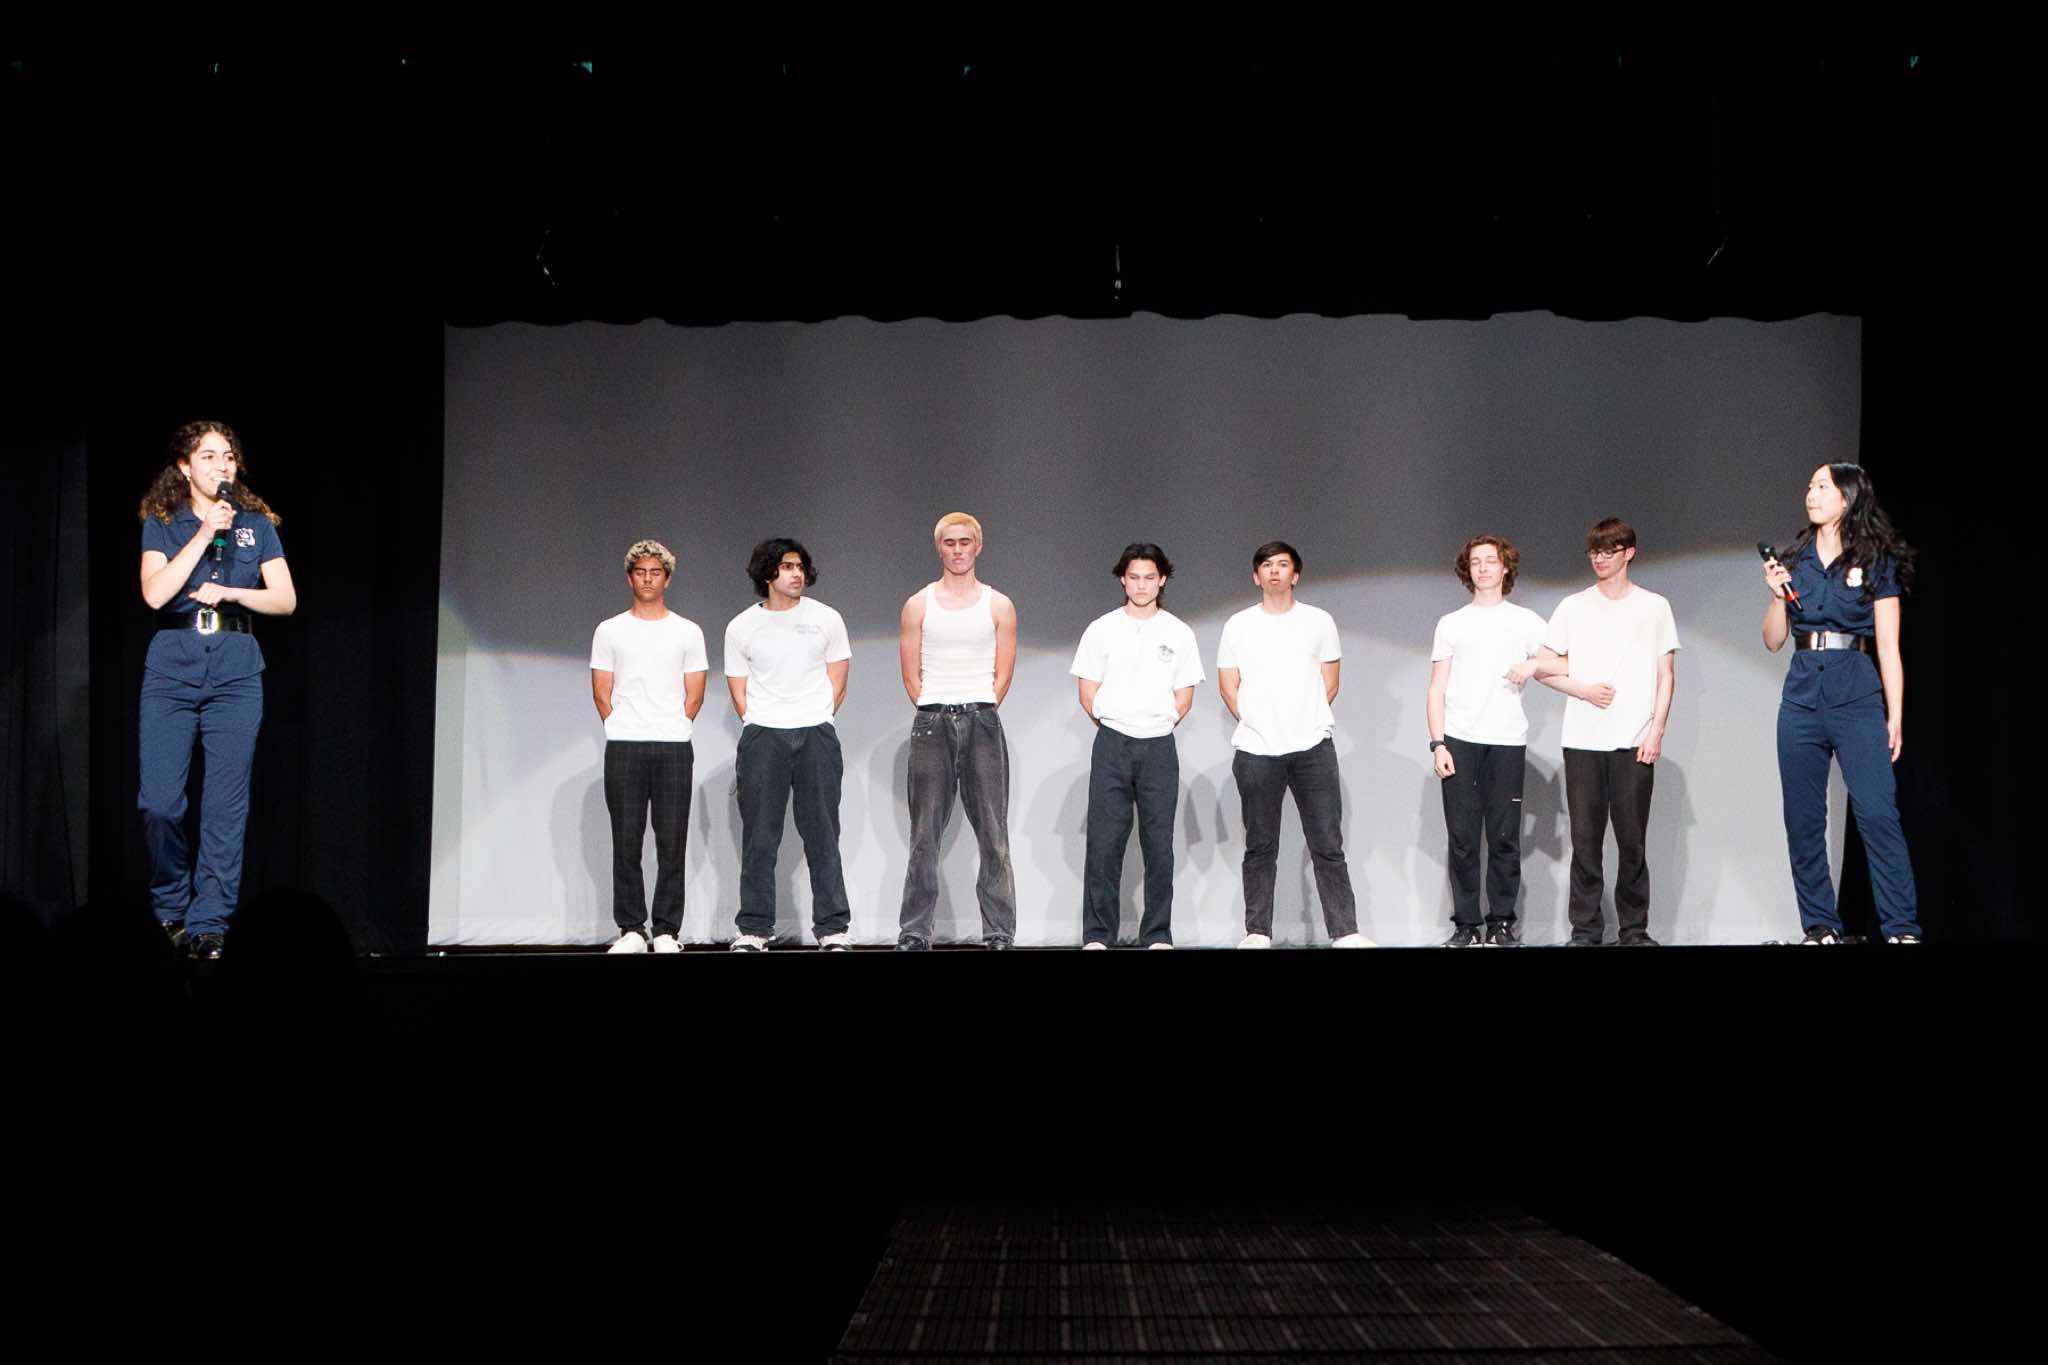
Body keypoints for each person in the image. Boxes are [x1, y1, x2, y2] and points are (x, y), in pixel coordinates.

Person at [136, 421, 297, 960]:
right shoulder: (163, 522)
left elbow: (285, 600)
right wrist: (204, 534)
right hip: (172, 668)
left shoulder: (256, 525)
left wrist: (233, 593)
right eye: (207, 456)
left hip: (235, 671)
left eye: (227, 455)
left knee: (225, 809)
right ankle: (170, 909)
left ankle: (210, 923)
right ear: (185, 466)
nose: (221, 465)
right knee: (160, 804)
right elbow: (155, 594)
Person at [1761, 463, 1921, 945]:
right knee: (1803, 819)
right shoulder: (1795, 558)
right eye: (1809, 486)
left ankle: (1901, 928)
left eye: (1821, 486)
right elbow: (1773, 641)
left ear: (1847, 497)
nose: (1810, 494)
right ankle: (1820, 926)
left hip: (1856, 694)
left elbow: (1889, 647)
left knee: (1877, 812)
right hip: (1802, 696)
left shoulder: (1874, 560)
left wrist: (1895, 714)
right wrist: (1776, 597)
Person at [1511, 517, 1679, 946]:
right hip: (1583, 741)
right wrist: (1582, 690)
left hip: (1634, 739)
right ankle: (1585, 931)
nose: (1600, 559)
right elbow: (1547, 666)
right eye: (1594, 552)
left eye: (1608, 551)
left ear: (1628, 553)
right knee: (1585, 842)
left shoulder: (1654, 606)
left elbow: (1666, 674)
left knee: (1632, 841)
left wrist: (1656, 730)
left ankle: (1634, 930)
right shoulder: (1574, 606)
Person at [1216, 541, 1371, 948]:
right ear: (1256, 576)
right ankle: (1257, 932)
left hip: (1312, 747)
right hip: (1256, 749)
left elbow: (1330, 682)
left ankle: (1344, 932)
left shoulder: (1318, 621)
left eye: (1282, 564)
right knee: (1260, 846)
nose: (1274, 571)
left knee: (1327, 844)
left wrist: (1303, 718)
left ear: (1295, 574)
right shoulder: (1238, 625)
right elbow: (1228, 684)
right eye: (1266, 565)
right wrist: (1255, 719)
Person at [894, 513, 1020, 951]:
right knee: (924, 835)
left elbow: (1003, 672)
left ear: (978, 547)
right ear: (939, 548)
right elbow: (911, 674)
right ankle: (915, 932)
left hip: (981, 718)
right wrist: (935, 707)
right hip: (932, 720)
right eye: (950, 543)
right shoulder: (918, 604)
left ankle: (999, 932)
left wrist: (979, 705)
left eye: (965, 542)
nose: (958, 550)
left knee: (994, 835)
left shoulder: (999, 605)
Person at [1070, 543, 1204, 949]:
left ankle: (1157, 934)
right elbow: (1087, 690)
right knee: (1103, 844)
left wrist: (1153, 722)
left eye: (1149, 577)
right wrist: (1117, 723)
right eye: (1134, 577)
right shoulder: (1101, 629)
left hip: (1158, 746)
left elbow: (1184, 696)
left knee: (1159, 845)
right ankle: (1098, 935)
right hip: (1112, 743)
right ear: (1122, 580)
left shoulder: (1179, 632)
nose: (1141, 585)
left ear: (1161, 580)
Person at [723, 539, 854, 952]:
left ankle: (833, 929)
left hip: (816, 733)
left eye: (800, 567)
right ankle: (754, 929)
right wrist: (762, 721)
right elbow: (738, 689)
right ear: (767, 574)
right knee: (760, 838)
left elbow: (838, 679)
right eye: (786, 567)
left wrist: (816, 714)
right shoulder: (742, 626)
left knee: (823, 835)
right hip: (764, 735)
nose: (797, 574)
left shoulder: (827, 619)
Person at [1426, 535, 1546, 947]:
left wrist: (1533, 663)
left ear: (1505, 566)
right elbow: (1436, 687)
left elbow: (1562, 660)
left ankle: (1501, 924)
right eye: (1475, 561)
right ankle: (1466, 925)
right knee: (1462, 839)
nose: (1482, 568)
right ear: (1468, 569)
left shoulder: (1525, 620)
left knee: (1503, 838)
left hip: (1507, 740)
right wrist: (1438, 743)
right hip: (1459, 739)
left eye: (1490, 560)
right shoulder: (1451, 623)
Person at [590, 539, 708, 954]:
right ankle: (632, 930)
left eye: (655, 572)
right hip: (625, 744)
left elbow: (695, 693)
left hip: (673, 744)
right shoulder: (609, 630)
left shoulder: (687, 631)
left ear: (667, 579)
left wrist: (675, 724)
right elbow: (601, 691)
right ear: (629, 578)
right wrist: (620, 725)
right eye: (640, 572)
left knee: (672, 841)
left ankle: (666, 931)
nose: (647, 579)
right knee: (626, 840)